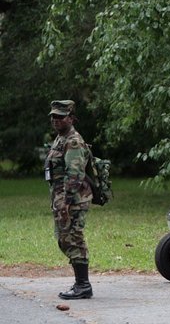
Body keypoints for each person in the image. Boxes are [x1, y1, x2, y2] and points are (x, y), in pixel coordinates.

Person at [44, 100, 93, 299]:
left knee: (73, 238)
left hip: (72, 199)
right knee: (65, 238)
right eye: (53, 117)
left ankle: (83, 285)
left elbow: (75, 174)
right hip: (62, 198)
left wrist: (66, 201)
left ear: (71, 118)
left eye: (60, 117)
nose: (56, 120)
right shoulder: (60, 138)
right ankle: (80, 283)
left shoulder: (73, 140)